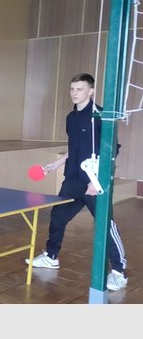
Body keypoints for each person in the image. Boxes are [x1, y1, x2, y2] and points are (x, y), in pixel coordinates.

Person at [26, 73, 128, 292]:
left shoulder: (101, 116)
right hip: (72, 180)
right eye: (72, 89)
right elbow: (75, 147)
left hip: (93, 182)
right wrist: (57, 163)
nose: (74, 93)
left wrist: (97, 181)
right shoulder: (71, 118)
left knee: (105, 224)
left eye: (79, 89)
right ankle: (51, 256)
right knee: (57, 217)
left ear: (91, 91)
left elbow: (112, 150)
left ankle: (119, 272)